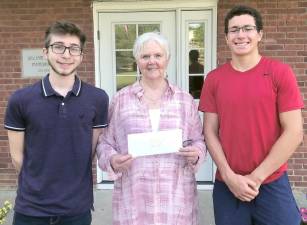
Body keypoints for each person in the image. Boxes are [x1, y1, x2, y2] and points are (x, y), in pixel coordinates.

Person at [199, 5, 304, 225]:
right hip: (228, 184)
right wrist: (229, 177)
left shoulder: (280, 73)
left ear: (259, 34)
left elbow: (294, 132)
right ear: (227, 38)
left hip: (271, 181)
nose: (241, 35)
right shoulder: (214, 79)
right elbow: (209, 131)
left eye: (247, 28)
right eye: (234, 30)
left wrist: (255, 178)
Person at [4, 21, 109, 225]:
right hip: (31, 209)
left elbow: (90, 150)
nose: (66, 55)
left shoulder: (97, 99)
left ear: (81, 56)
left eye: (73, 48)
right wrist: (39, 185)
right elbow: (17, 157)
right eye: (58, 47)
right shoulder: (21, 99)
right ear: (45, 52)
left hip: (77, 209)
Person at [96, 32, 206, 225]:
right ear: (137, 60)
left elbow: (199, 140)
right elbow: (105, 142)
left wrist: (196, 153)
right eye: (145, 56)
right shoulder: (121, 99)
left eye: (158, 55)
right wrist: (112, 159)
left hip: (176, 200)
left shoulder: (184, 100)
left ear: (167, 59)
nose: (152, 61)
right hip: (134, 199)